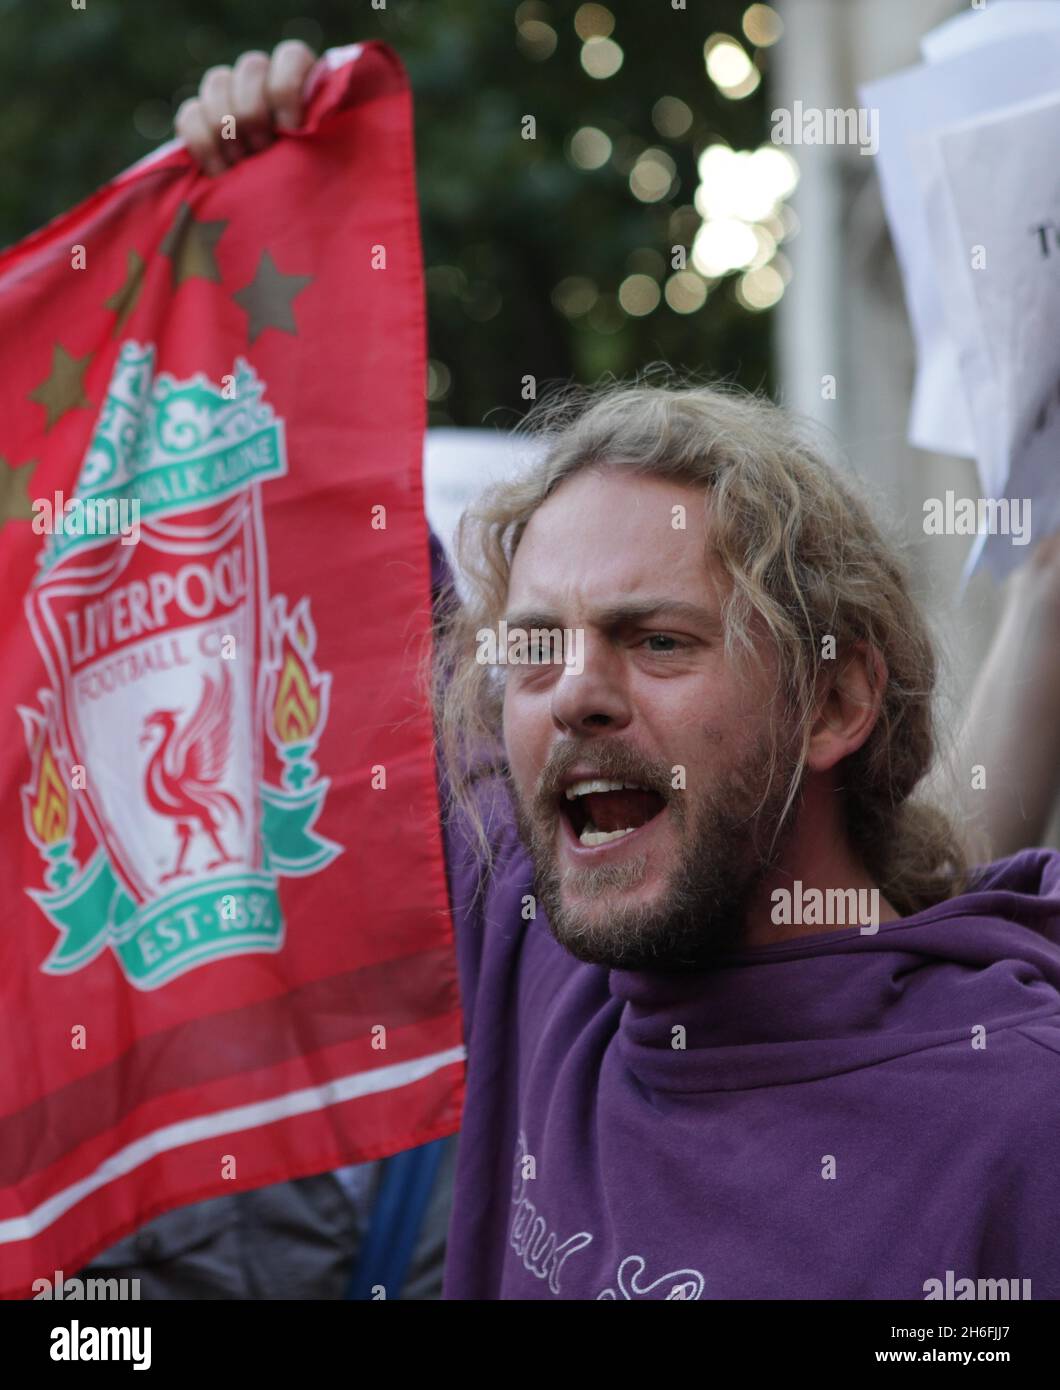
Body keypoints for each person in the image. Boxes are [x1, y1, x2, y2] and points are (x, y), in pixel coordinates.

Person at [170, 43, 1060, 1302]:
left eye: (658, 640)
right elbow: (342, 539)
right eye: (534, 644)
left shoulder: (1020, 1116)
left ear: (838, 701)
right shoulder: (537, 939)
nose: (573, 691)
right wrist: (273, 198)